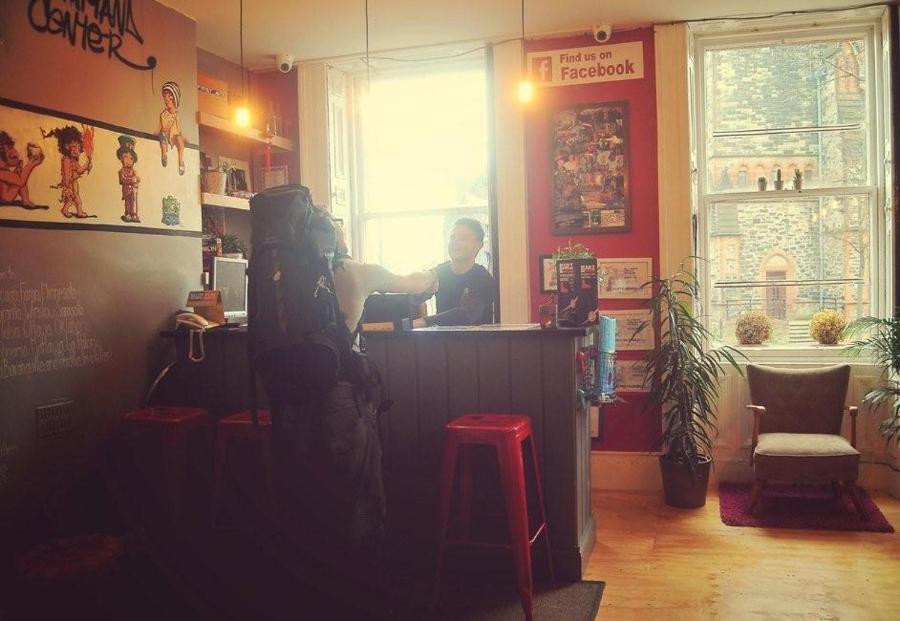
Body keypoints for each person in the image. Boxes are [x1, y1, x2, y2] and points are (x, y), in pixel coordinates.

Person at [414, 217, 496, 327]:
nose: (455, 242)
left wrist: (423, 322)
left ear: (478, 246)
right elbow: (415, 297)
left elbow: (467, 314)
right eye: (452, 237)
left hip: (475, 338)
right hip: (442, 337)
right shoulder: (440, 272)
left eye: (463, 238)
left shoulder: (484, 278)